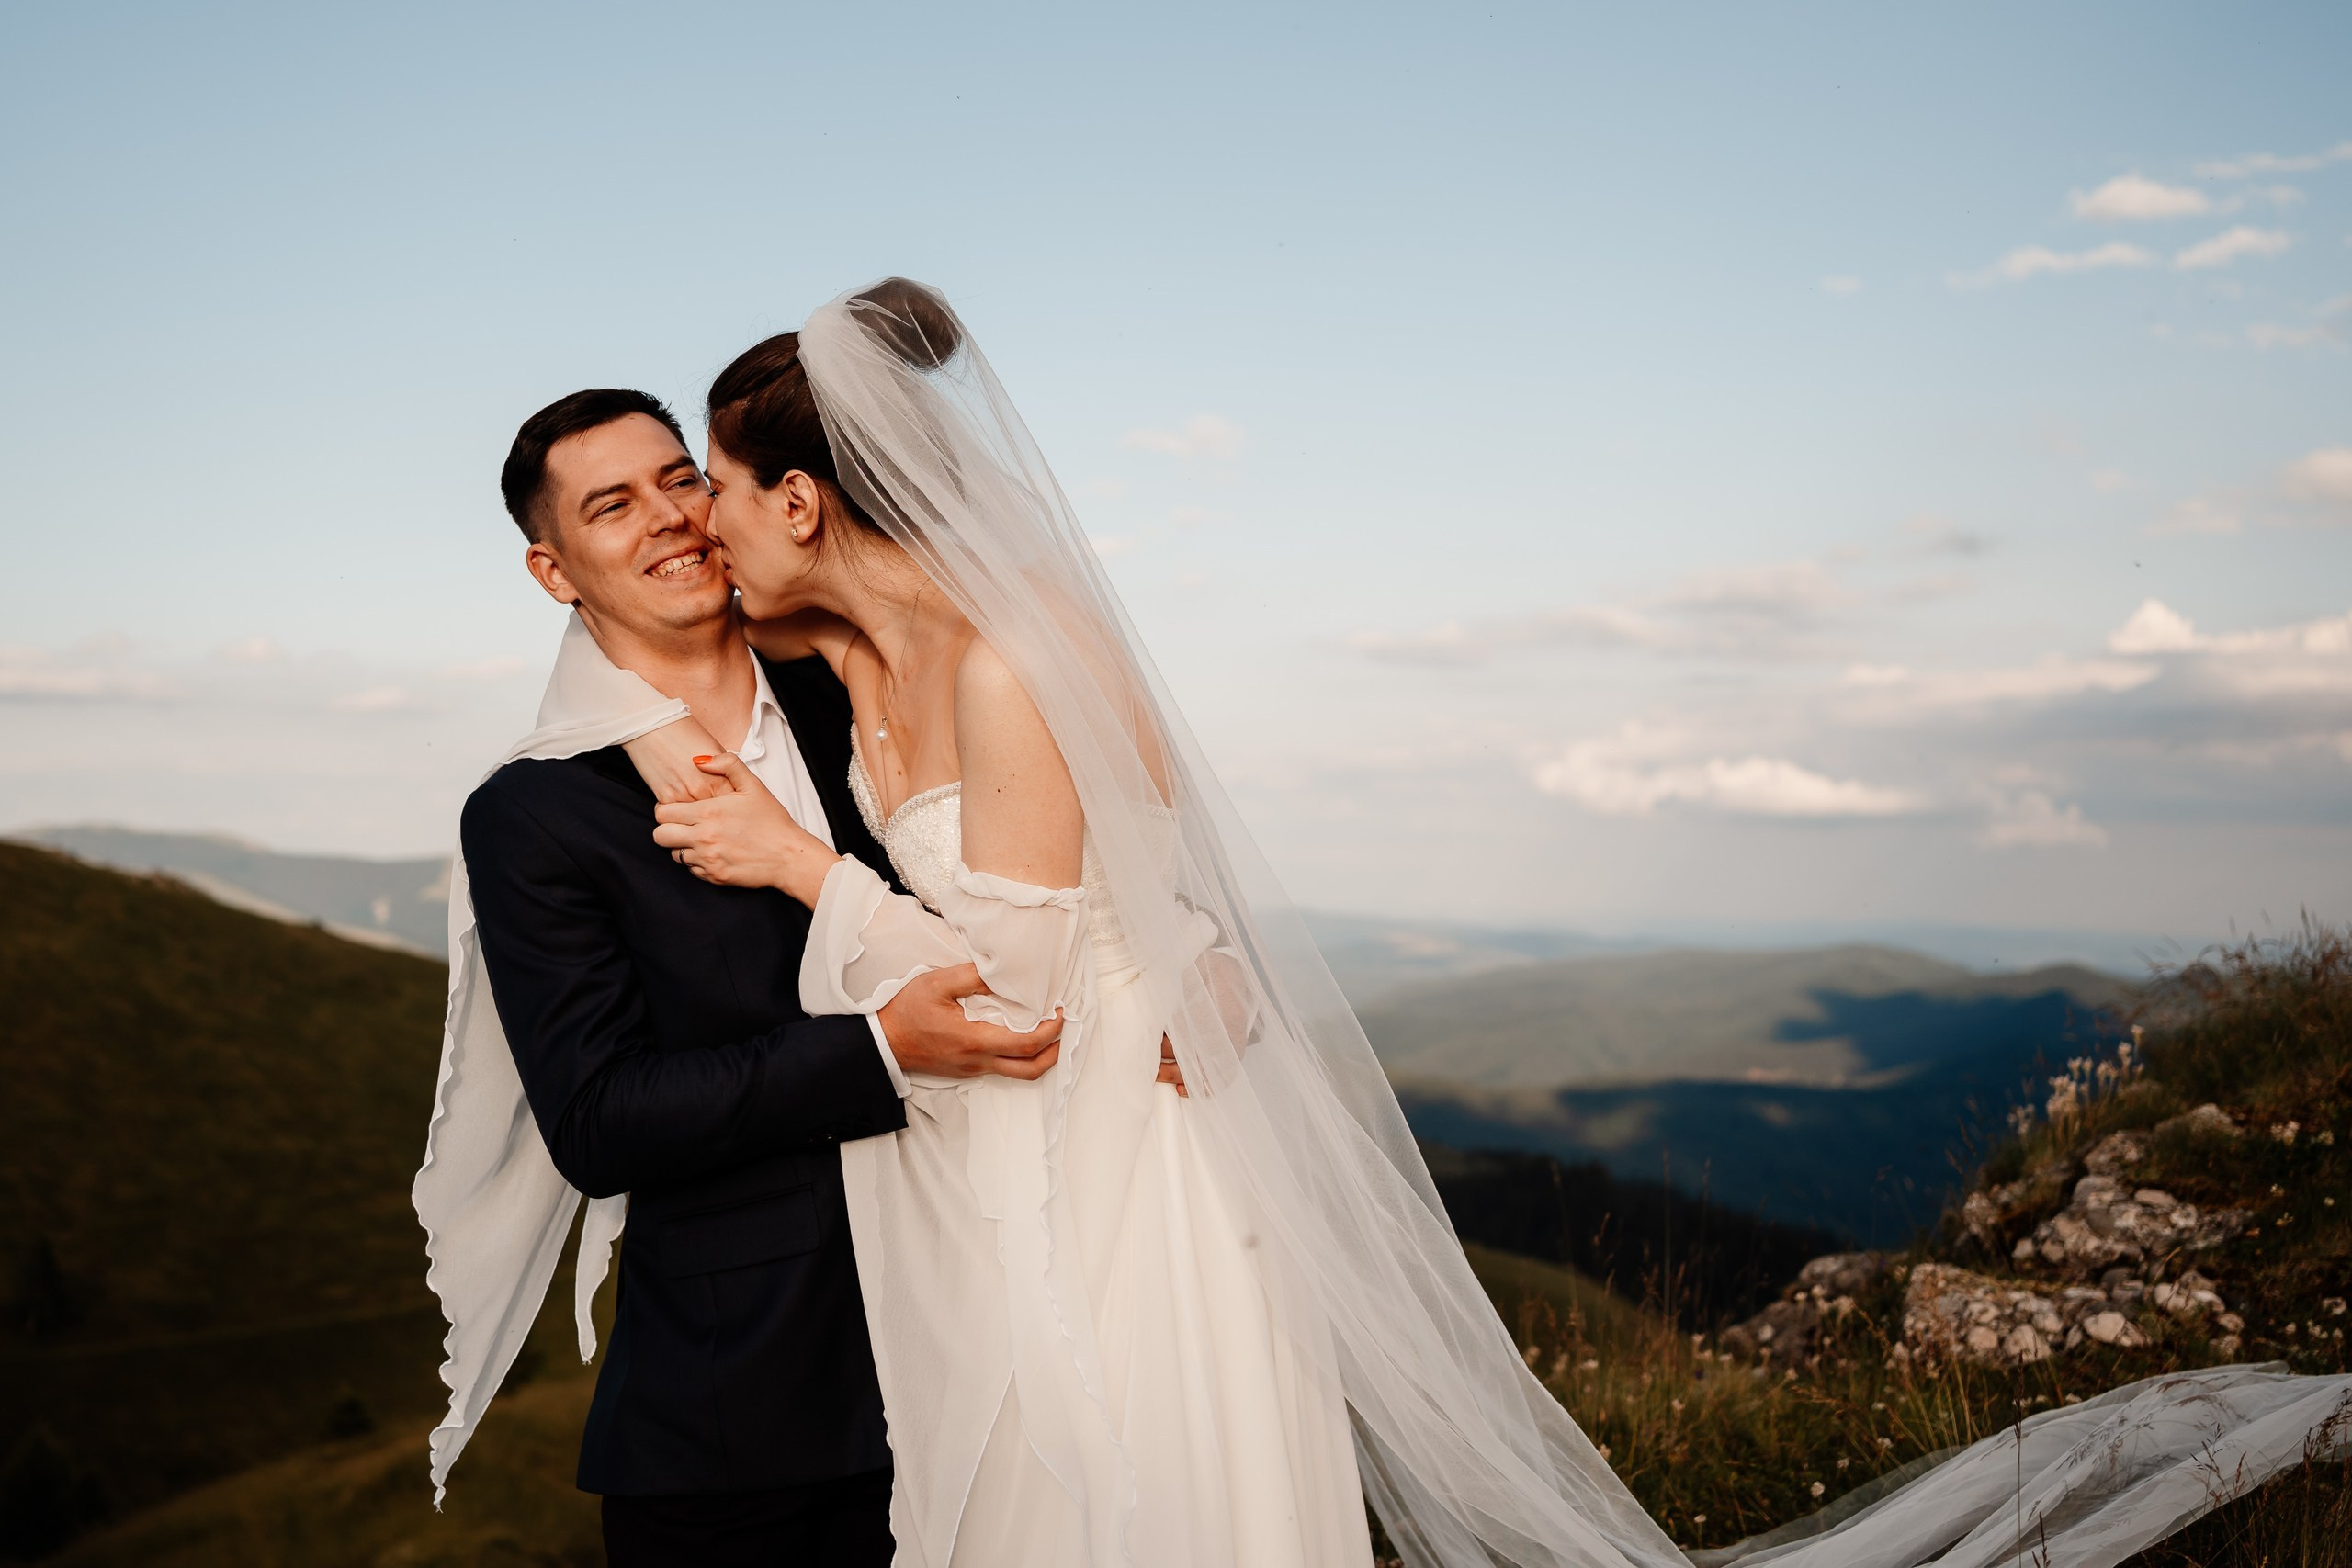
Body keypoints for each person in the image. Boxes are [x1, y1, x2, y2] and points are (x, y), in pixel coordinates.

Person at [414, 387, 1075, 1567]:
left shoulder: (869, 691)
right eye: (611, 506)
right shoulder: (538, 813)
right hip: (749, 1420)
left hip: (1005, 1346)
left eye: (680, 480)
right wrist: (875, 1050)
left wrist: (1185, 979)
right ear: (554, 573)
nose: (668, 517)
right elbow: (601, 1119)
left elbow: (1051, 892)